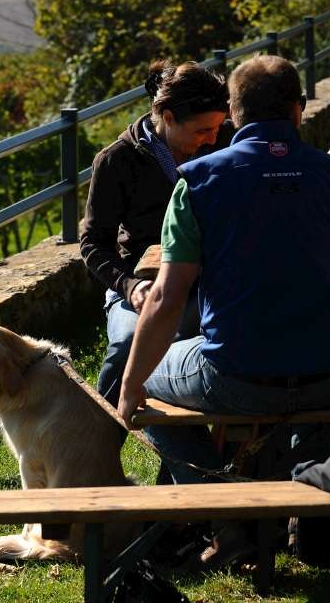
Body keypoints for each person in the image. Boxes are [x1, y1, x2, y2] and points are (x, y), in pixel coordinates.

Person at [117, 55, 330, 485]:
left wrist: (129, 385)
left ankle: (220, 501)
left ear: (233, 112)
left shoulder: (196, 183)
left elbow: (165, 297)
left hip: (235, 376)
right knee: (321, 385)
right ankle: (306, 499)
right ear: (299, 108)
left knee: (139, 374)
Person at [80, 60, 229, 406]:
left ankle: (198, 452)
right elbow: (93, 243)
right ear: (168, 117)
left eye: (218, 127)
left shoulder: (224, 142)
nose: (213, 138)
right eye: (202, 131)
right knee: (128, 349)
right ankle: (101, 440)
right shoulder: (117, 161)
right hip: (142, 286)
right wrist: (129, 287)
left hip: (209, 282)